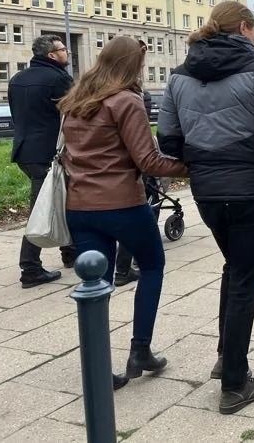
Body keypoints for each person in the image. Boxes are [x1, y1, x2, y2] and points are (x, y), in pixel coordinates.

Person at [158, 1, 254, 414]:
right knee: (245, 279)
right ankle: (236, 383)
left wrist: (201, 161)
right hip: (252, 189)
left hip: (207, 190)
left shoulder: (179, 77)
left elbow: (167, 137)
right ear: (244, 28)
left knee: (233, 268)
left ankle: (226, 355)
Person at [60, 37, 187, 391]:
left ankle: (98, 366)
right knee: (152, 266)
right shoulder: (126, 101)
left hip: (80, 206)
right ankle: (139, 350)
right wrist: (194, 167)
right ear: (132, 64)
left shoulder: (76, 100)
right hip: (122, 204)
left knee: (94, 286)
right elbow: (148, 160)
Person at [7, 34, 76, 287]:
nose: (66, 52)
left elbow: (18, 115)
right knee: (43, 207)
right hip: (50, 154)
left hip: (24, 151)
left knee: (63, 199)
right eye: (62, 49)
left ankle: (70, 253)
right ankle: (30, 268)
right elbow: (74, 115)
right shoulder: (59, 79)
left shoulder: (17, 79)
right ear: (52, 55)